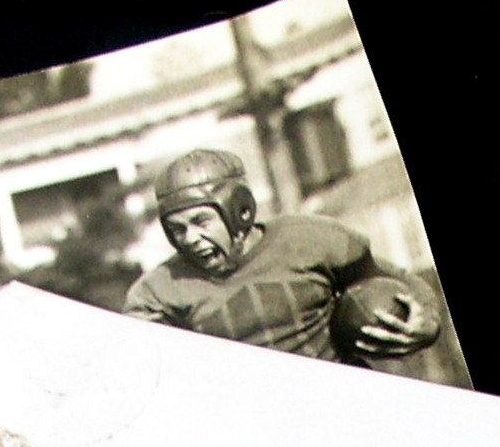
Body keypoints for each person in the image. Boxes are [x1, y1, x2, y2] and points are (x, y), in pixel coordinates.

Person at [124, 149, 443, 366]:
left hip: (343, 408)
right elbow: (143, 369)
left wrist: (426, 318)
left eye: (200, 222)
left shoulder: (310, 238)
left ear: (239, 210)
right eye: (177, 229)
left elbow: (394, 279)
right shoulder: (158, 294)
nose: (190, 238)